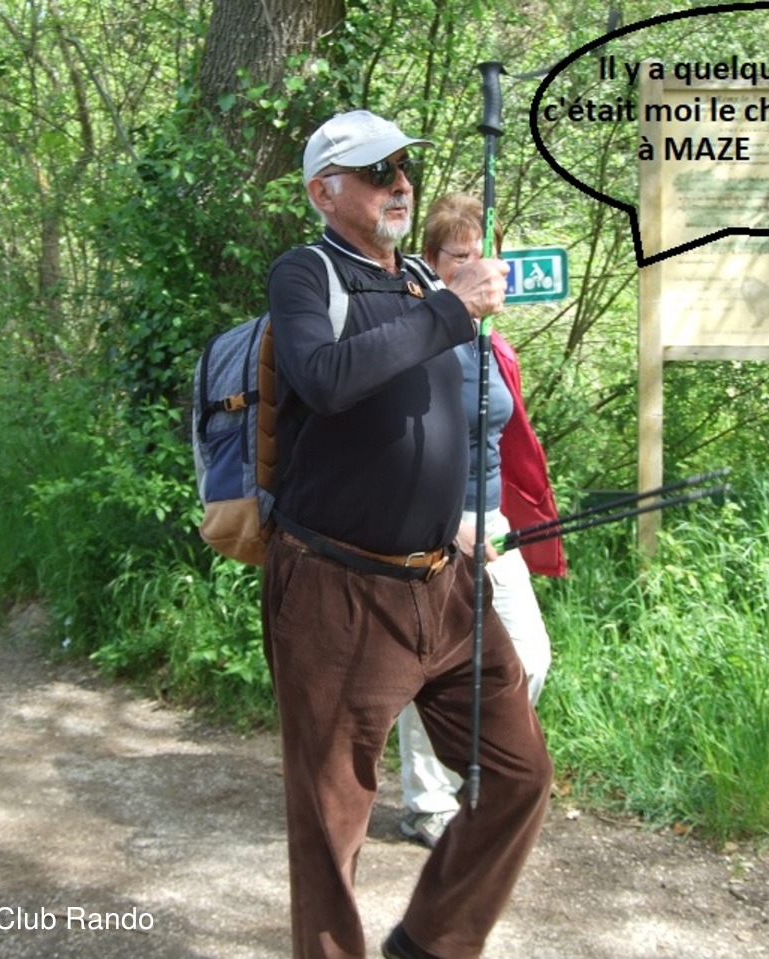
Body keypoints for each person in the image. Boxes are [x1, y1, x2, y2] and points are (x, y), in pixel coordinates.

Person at [263, 110, 554, 959]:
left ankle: (429, 944)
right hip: (338, 590)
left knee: (518, 774)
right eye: (377, 171)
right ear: (325, 192)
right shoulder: (307, 273)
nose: (400, 183)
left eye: (403, 168)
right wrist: (451, 311)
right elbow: (325, 378)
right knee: (331, 824)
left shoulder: (425, 283)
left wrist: (462, 516)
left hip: (447, 583)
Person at [397, 194, 566, 849]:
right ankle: (428, 803)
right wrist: (447, 524)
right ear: (432, 263)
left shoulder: (493, 344)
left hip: (492, 523)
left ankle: (476, 772)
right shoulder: (416, 336)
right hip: (431, 525)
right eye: (459, 254)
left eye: (483, 254)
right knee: (438, 666)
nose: (475, 266)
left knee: (528, 656)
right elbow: (395, 448)